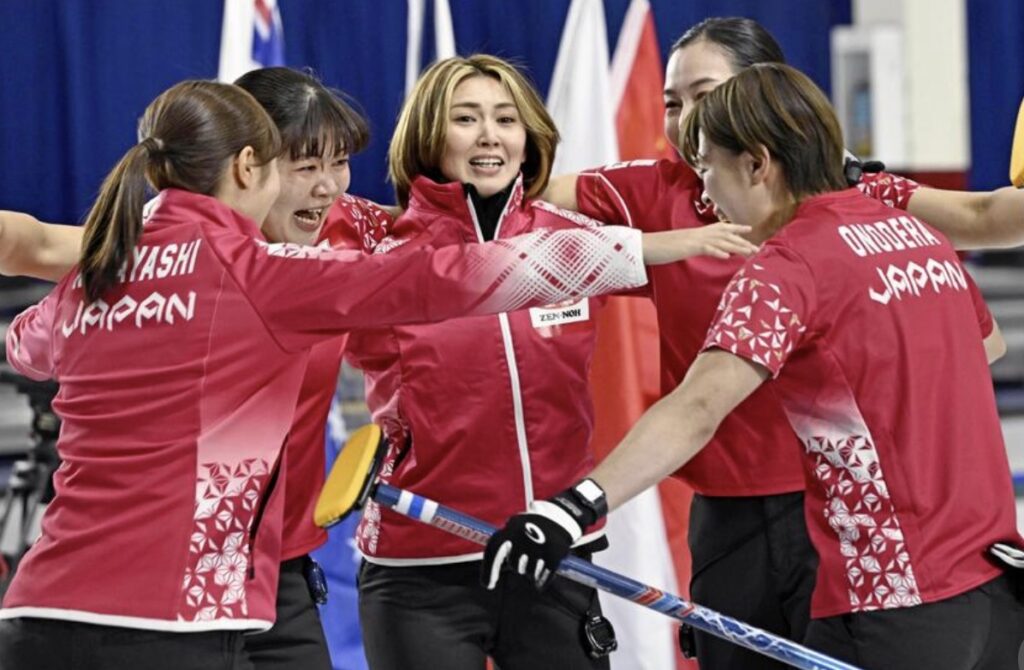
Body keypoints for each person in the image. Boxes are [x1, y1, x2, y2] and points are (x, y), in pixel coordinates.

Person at [0, 78, 692, 670]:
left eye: (339, 165)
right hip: (184, 608)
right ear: (250, 166)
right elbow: (450, 277)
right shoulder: (269, 274)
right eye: (301, 166)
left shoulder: (102, 273)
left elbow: (27, 347)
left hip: (48, 601)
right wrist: (657, 247)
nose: (328, 187)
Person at [485, 62, 1024, 669]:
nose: (706, 193)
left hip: (893, 602)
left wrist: (571, 508)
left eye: (707, 167)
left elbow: (696, 409)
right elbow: (984, 348)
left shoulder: (784, 267)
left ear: (757, 164)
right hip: (995, 592)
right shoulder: (919, 237)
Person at [326, 54, 757, 670]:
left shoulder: (575, 237)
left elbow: (710, 269)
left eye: (506, 120)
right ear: (427, 135)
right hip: (420, 567)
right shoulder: (385, 253)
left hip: (553, 554)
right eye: (465, 119)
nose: (489, 136)